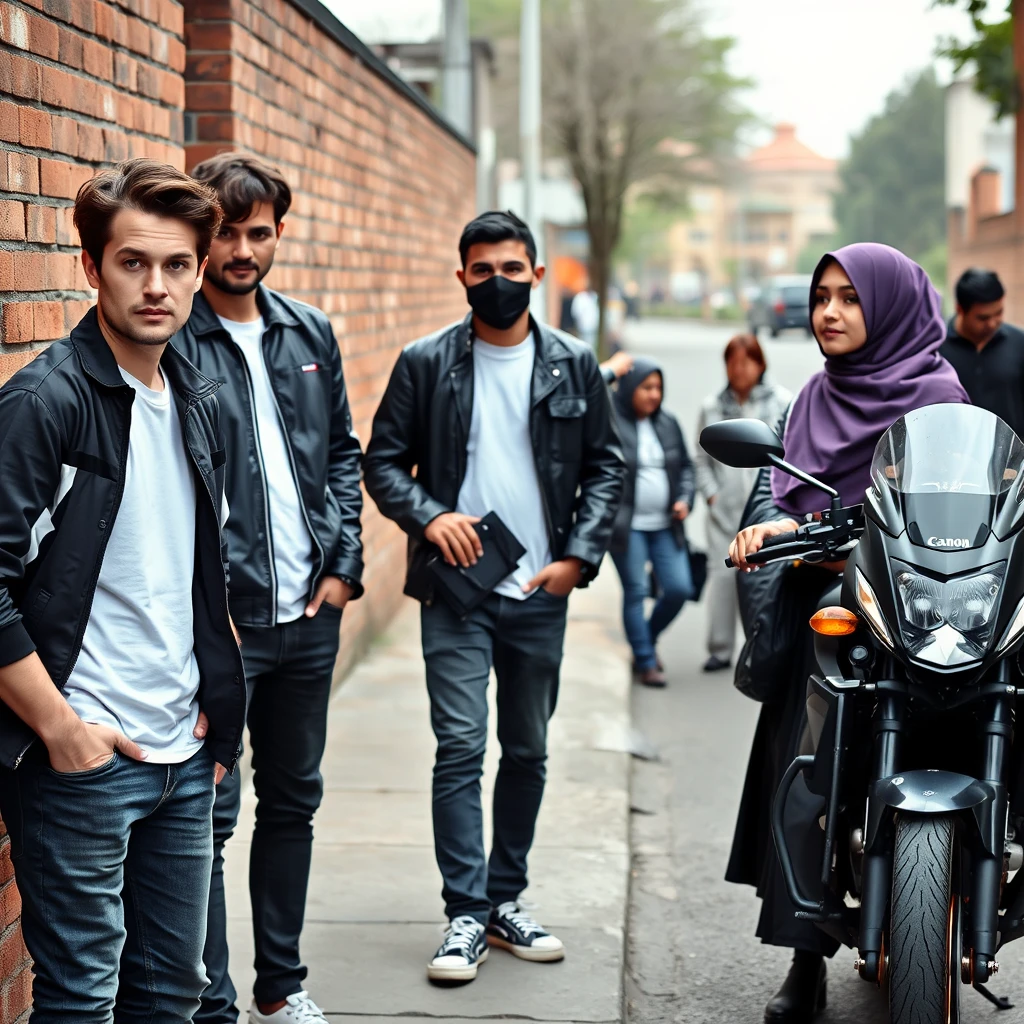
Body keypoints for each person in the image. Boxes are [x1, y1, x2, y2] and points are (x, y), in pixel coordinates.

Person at [0, 159, 245, 1021]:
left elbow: (199, 566)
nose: (157, 286)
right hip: (85, 764)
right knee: (81, 1004)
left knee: (173, 995)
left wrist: (215, 697)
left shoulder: (200, 399)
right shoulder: (45, 400)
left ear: (200, 271)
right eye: (132, 263)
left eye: (177, 266)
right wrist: (60, 729)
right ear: (91, 268)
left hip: (185, 752)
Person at [363, 210, 624, 983]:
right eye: (483, 271)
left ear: (538, 275)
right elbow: (382, 463)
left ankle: (507, 897)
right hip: (456, 594)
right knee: (460, 746)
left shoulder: (574, 363)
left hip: (540, 588)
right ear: (462, 277)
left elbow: (607, 466)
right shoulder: (424, 362)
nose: (499, 283)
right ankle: (465, 914)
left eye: (513, 269)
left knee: (529, 749)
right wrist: (430, 515)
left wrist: (578, 556)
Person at [725, 243, 969, 1024]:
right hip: (830, 616)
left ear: (890, 306)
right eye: (821, 296)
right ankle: (805, 961)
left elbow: (968, 499)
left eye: (849, 298)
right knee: (809, 768)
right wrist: (768, 531)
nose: (829, 312)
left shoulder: (941, 396)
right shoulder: (807, 402)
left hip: (923, 617)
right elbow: (774, 491)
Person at [173, 154, 364, 1024]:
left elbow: (340, 456)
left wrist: (344, 564)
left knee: (294, 803)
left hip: (308, 619)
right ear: (203, 238)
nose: (243, 249)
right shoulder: (176, 340)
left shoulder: (308, 330)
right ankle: (210, 1000)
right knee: (209, 816)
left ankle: (280, 988)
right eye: (226, 233)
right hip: (226, 630)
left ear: (280, 231)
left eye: (260, 232)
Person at [694, 335, 791, 673]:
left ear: (760, 364)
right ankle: (720, 649)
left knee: (767, 582)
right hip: (724, 514)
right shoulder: (712, 406)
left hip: (767, 513)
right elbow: (701, 459)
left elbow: (791, 453)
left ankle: (763, 650)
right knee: (721, 582)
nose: (740, 368)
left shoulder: (782, 402)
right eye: (733, 361)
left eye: (747, 360)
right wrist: (711, 494)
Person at [607, 358, 696, 687]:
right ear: (629, 388)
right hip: (626, 526)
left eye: (658, 388)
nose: (654, 395)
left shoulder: (668, 422)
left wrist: (685, 499)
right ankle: (645, 661)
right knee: (637, 590)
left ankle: (645, 638)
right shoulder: (610, 421)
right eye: (646, 387)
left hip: (665, 525)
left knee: (678, 588)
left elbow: (686, 467)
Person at [939, 267, 1024, 440]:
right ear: (960, 309)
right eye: (983, 318)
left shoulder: (1020, 343)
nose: (993, 323)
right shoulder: (936, 349)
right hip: (954, 458)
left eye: (999, 313)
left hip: (1012, 461)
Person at [571, 283, 600, 350]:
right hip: (583, 328)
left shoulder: (595, 296)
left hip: (594, 328)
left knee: (593, 347)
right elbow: (575, 313)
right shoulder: (580, 297)